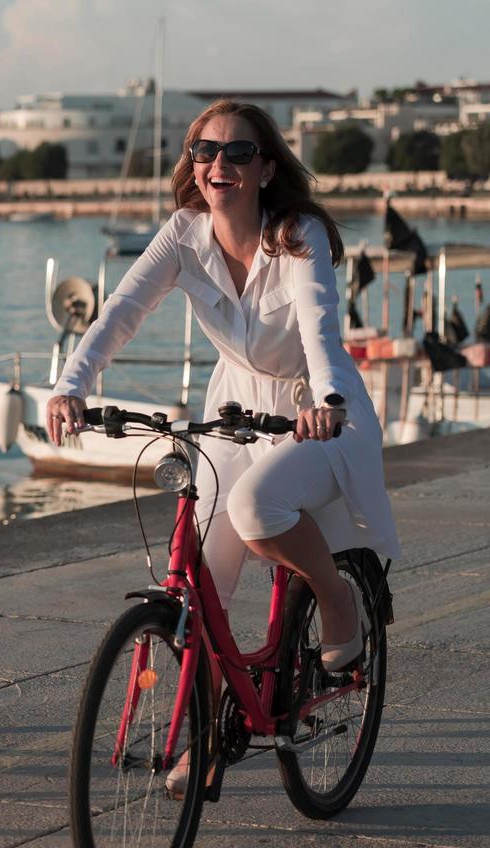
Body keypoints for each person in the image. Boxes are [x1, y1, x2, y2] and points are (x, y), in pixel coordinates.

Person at [46, 100, 401, 788]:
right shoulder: (184, 235)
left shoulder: (299, 236)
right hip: (233, 413)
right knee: (202, 586)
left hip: (314, 413)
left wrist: (327, 403)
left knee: (257, 508)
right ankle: (209, 738)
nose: (218, 165)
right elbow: (121, 311)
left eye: (238, 153)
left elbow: (322, 332)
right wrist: (72, 384)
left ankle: (333, 596)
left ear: (266, 167)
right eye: (204, 151)